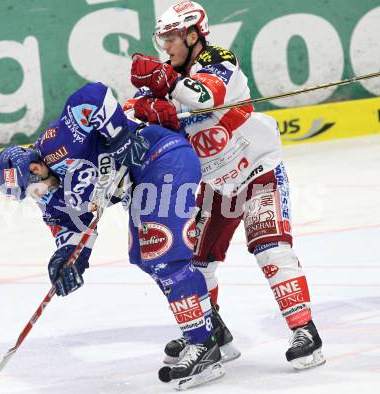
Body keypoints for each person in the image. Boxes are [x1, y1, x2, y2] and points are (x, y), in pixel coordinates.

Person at [129, 0, 325, 370]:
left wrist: (166, 86)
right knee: (195, 263)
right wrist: (142, 110)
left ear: (193, 35)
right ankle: (212, 334)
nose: (165, 47)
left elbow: (205, 96)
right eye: (161, 39)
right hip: (216, 184)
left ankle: (305, 332)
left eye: (171, 38)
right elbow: (136, 112)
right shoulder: (167, 75)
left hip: (258, 170)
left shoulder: (219, 59)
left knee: (271, 250)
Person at [0, 81, 226, 389]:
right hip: (144, 183)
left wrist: (120, 139)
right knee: (145, 258)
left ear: (36, 166)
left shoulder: (57, 143)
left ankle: (204, 346)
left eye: (31, 188)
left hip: (163, 156)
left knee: (162, 254)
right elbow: (71, 230)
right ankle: (211, 331)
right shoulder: (51, 197)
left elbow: (92, 96)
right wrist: (66, 260)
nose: (35, 196)